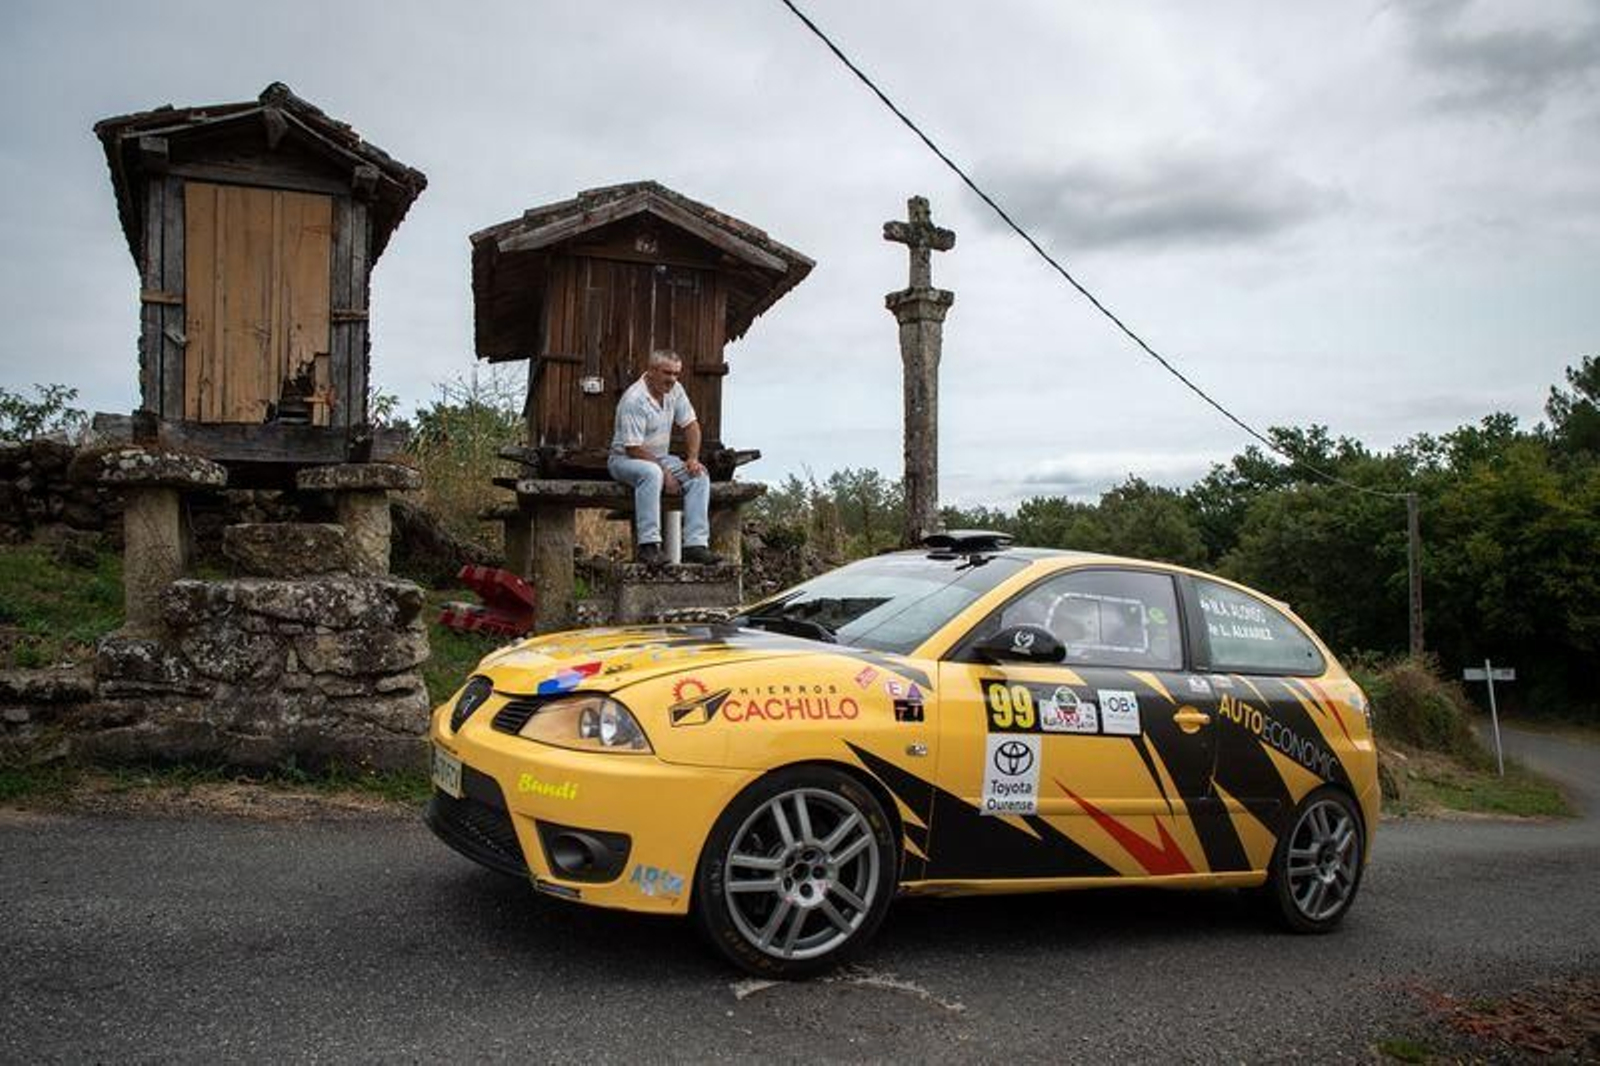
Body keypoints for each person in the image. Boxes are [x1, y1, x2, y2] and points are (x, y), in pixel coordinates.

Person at [607, 350, 721, 565]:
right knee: (651, 473)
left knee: (699, 475)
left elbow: (691, 425)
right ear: (651, 371)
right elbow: (633, 448)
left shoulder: (675, 390)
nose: (672, 379)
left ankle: (695, 545)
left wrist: (693, 458)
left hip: (659, 458)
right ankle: (648, 546)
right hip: (624, 460)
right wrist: (665, 471)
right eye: (667, 373)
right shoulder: (634, 399)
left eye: (676, 374)